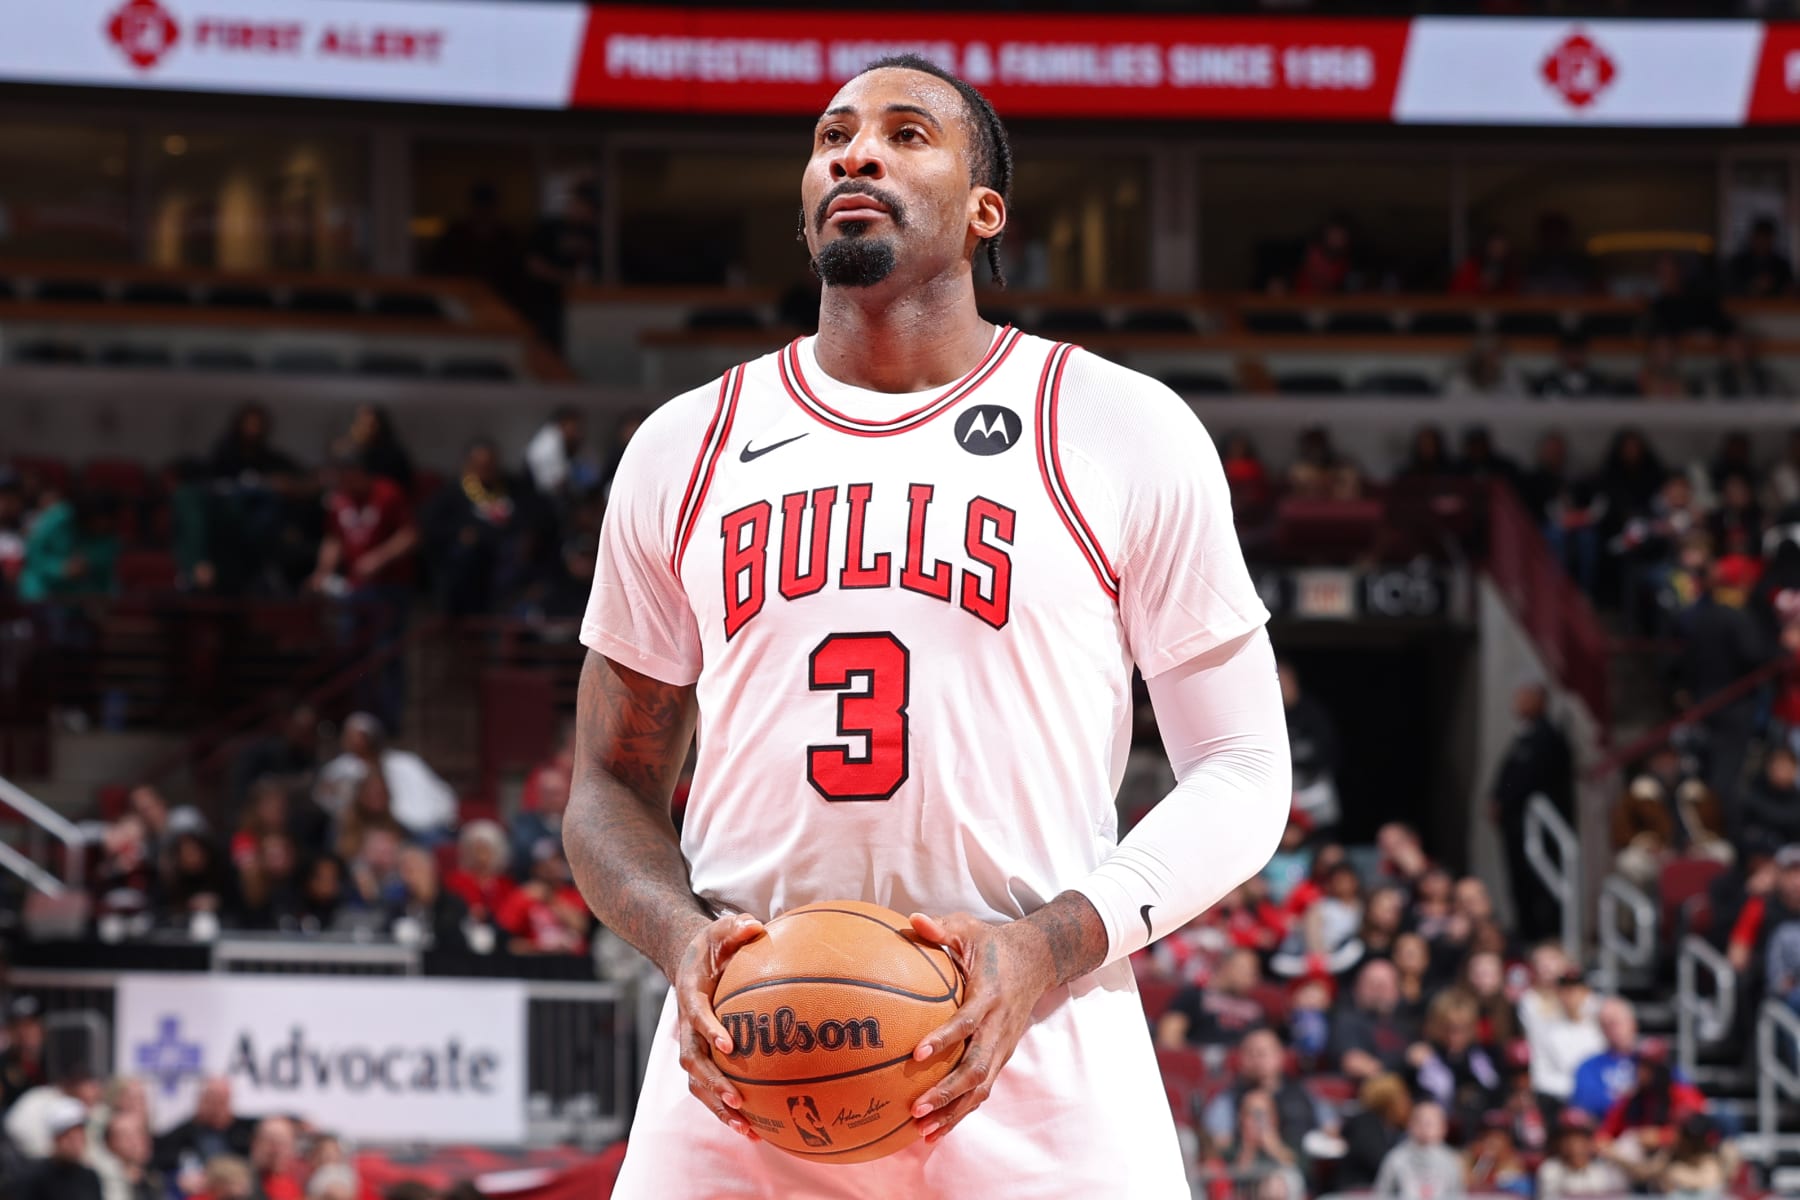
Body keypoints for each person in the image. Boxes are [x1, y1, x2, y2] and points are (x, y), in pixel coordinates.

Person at [566, 54, 1289, 1199]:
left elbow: (1246, 766)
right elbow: (608, 785)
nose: (855, 151)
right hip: (749, 1057)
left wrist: (1051, 943)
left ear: (983, 210)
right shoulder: (681, 446)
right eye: (832, 135)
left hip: (1039, 1046)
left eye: (907, 134)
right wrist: (679, 940)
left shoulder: (1119, 427)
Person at [308, 451, 417, 730]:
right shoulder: (339, 500)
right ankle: (361, 716)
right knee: (352, 652)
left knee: (387, 653)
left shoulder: (388, 493)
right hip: (356, 588)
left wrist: (379, 558)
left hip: (390, 587)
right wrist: (323, 571)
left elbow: (409, 534)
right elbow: (334, 539)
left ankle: (391, 720)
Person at [422, 439, 551, 617]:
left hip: (508, 560)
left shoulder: (514, 488)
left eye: (491, 464)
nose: (487, 470)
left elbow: (534, 516)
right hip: (474, 564)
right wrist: (459, 534)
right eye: (481, 465)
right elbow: (432, 526)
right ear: (470, 465)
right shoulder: (453, 492)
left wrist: (527, 536)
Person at [1490, 682, 1574, 942]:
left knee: (1540, 886)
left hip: (1534, 828)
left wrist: (1506, 800)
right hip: (1515, 827)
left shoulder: (1547, 737)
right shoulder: (1524, 736)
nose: (1517, 703)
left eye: (1524, 698)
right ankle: (1528, 934)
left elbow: (1529, 779)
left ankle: (1545, 937)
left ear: (1540, 702)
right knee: (1520, 885)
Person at [313, 713, 455, 841]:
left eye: (361, 736)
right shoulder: (340, 769)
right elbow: (326, 798)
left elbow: (439, 794)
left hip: (414, 828)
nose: (356, 741)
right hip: (361, 827)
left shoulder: (404, 762)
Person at [1200, 1030, 1329, 1157]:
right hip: (1248, 1169)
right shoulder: (1228, 1098)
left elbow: (1331, 1131)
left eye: (1262, 1053)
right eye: (1250, 1053)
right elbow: (1218, 1146)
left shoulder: (1303, 1092)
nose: (1256, 1059)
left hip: (1299, 1166)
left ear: (1280, 1055)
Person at [522, 181, 602, 352]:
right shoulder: (549, 228)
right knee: (543, 348)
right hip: (543, 303)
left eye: (592, 210)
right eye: (583, 205)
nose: (587, 212)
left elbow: (592, 269)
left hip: (576, 307)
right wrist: (564, 278)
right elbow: (533, 265)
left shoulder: (592, 233)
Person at [1156, 948, 1269, 1049]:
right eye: (1245, 969)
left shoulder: (1255, 1009)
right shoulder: (1194, 996)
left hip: (1238, 1067)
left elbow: (1262, 1045)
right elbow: (1169, 1036)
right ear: (1225, 966)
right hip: (1200, 1058)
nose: (1251, 976)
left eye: (1253, 971)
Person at [151, 1077, 255, 1182]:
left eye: (221, 1101)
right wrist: (177, 1178)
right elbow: (161, 1167)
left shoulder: (246, 1132)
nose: (216, 1107)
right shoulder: (179, 1136)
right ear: (201, 1100)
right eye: (211, 1100)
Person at [1330, 960, 1419, 1082]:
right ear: (1357, 989)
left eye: (1383, 985)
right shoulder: (1347, 1020)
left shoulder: (1408, 1023)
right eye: (1371, 984)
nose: (1378, 991)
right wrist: (1406, 1060)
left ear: (1397, 991)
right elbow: (1355, 1064)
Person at [1277, 661, 1339, 834]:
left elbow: (1327, 750)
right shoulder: (1270, 713)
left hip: (1314, 789)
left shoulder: (1312, 712)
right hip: (1283, 792)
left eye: (1282, 681)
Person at [1568, 996, 1642, 1120]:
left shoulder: (1649, 1061)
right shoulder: (1588, 1067)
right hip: (1603, 1133)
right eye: (1605, 1025)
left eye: (1616, 1022)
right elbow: (1587, 1103)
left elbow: (1675, 1092)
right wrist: (1633, 1098)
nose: (1611, 1029)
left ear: (1633, 1023)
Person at [14, 1096, 102, 1200]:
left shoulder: (90, 1177)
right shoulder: (34, 1177)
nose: (76, 1144)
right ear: (56, 1139)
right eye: (70, 1137)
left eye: (80, 1136)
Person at [1372, 1100, 1464, 1198]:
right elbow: (1380, 1195)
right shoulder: (1395, 1159)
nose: (1425, 1128)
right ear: (1410, 1125)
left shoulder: (1451, 1161)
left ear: (1443, 1128)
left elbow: (1459, 1196)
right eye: (1420, 1121)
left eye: (1430, 1123)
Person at [1338, 1074, 1411, 1191]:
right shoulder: (1364, 1124)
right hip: (1359, 1192)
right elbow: (1383, 1164)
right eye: (1403, 1097)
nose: (1408, 1103)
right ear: (1388, 1102)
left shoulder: (1396, 1128)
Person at [1536, 1108, 1627, 1198]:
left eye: (1580, 1139)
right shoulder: (1550, 1169)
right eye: (1567, 1140)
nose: (1574, 1146)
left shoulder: (1605, 1169)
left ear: (1590, 1141)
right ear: (1557, 1143)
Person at [524, 405, 599, 506]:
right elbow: (555, 485)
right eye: (575, 427)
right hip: (539, 501)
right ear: (562, 424)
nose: (578, 433)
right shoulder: (547, 443)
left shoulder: (572, 446)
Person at [87, 1108, 157, 1200]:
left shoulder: (155, 1179)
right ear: (109, 1142)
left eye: (139, 1133)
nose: (134, 1141)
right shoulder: (98, 1181)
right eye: (126, 1135)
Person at [1725, 216, 1793, 297]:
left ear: (1772, 239)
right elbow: (1728, 290)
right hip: (1744, 307)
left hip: (1776, 308)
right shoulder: (1738, 263)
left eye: (1766, 238)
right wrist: (1752, 287)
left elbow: (1789, 289)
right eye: (1760, 238)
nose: (1763, 243)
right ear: (1752, 238)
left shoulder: (1781, 264)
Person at [1535, 332, 1611, 399]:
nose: (1574, 357)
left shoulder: (1599, 384)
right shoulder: (1546, 383)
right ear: (1562, 354)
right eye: (1570, 352)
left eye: (1578, 352)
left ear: (1585, 354)